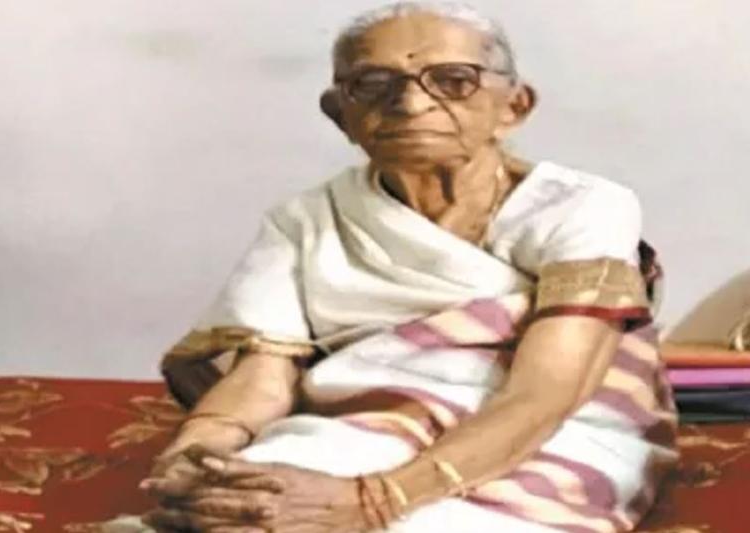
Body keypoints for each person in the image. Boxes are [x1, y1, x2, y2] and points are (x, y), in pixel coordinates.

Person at [135, 2, 678, 532]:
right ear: (341, 113)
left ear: (513, 107)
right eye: (373, 84)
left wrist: (374, 501)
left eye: (454, 81)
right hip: (357, 426)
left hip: (552, 431)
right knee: (246, 507)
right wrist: (199, 449)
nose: (411, 103)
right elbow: (264, 375)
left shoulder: (582, 206)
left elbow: (548, 392)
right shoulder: (305, 220)